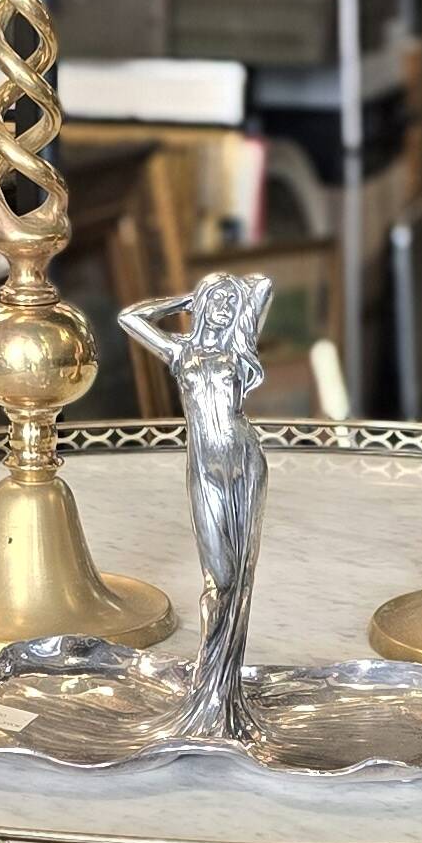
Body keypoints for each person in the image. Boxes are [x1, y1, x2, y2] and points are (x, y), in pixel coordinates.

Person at [121, 272, 272, 740]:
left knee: (240, 577)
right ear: (202, 305)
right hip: (204, 466)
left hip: (243, 460)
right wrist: (189, 296)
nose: (226, 308)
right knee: (219, 578)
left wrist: (230, 294)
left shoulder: (238, 348)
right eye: (217, 301)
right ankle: (210, 687)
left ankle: (227, 693)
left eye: (231, 302)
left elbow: (263, 284)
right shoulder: (180, 350)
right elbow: (132, 318)